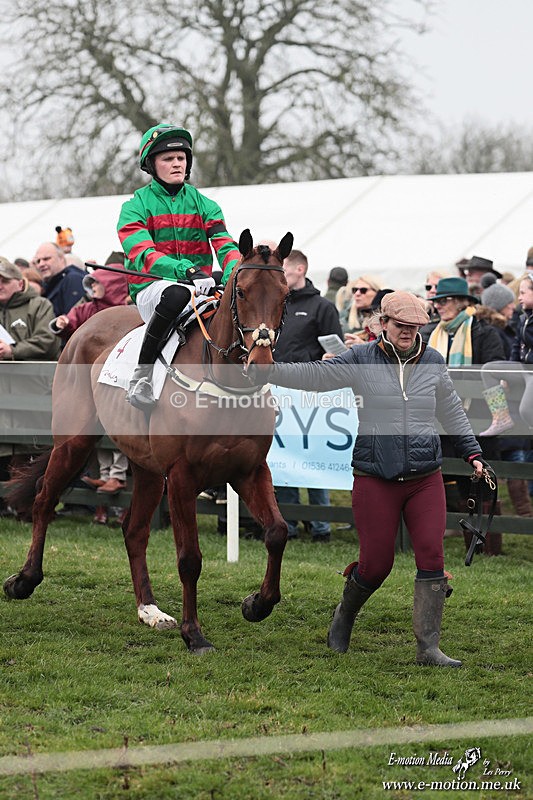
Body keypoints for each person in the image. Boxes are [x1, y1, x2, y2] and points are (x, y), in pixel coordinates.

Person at [249, 291, 488, 666]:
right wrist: (271, 370)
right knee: (376, 564)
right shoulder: (360, 359)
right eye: (401, 326)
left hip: (426, 477)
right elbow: (316, 374)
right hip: (375, 476)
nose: (408, 332)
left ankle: (428, 648)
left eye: (414, 327)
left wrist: (473, 452)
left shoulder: (434, 361)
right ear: (383, 324)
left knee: (432, 556)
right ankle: (344, 614)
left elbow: (452, 409)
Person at [117, 123, 241, 410]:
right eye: (167, 159)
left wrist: (236, 273)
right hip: (152, 287)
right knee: (177, 294)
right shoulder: (134, 207)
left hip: (199, 284)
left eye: (181, 158)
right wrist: (186, 271)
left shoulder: (206, 204)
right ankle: (142, 375)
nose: (176, 164)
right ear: (152, 165)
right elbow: (144, 254)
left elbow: (225, 244)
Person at [421, 276, 506, 555]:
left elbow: (495, 373)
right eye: (437, 302)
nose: (439, 306)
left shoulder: (485, 332)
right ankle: (472, 545)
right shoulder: (432, 333)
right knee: (457, 484)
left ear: (462, 302)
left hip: (478, 421)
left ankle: (490, 548)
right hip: (442, 421)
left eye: (444, 301)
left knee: (484, 484)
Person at [49, 258, 131, 523]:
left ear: (112, 286)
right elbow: (73, 319)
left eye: (98, 285)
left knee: (121, 433)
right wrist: (62, 323)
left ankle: (116, 476)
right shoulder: (89, 309)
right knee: (98, 436)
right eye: (92, 284)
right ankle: (107, 474)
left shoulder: (128, 313)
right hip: (96, 382)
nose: (93, 289)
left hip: (118, 381)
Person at [274, 248, 344, 542]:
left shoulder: (322, 307)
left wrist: (330, 359)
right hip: (277, 390)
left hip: (312, 394)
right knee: (283, 458)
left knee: (315, 458)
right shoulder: (276, 303)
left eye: (285, 269)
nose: (281, 274)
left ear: (300, 269)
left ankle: (321, 526)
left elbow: (337, 350)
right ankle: (288, 525)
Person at [33, 241, 86, 316]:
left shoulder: (73, 280)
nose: (41, 264)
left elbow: (75, 319)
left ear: (61, 258)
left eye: (46, 259)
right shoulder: (50, 286)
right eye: (38, 261)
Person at [338, 275, 384, 342]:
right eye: (355, 290)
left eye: (363, 290)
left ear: (377, 293)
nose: (357, 293)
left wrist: (362, 345)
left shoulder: (386, 319)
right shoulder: (345, 319)